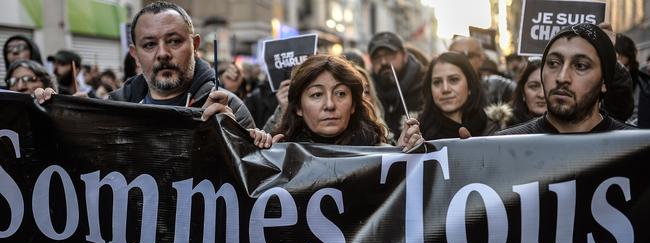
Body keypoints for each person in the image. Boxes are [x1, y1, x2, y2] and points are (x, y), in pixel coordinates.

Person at [33, 1, 264, 147]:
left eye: (174, 41)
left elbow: (248, 189)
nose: (163, 54)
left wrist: (233, 137)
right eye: (149, 45)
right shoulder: (113, 109)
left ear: (194, 45)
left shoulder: (228, 107)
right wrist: (63, 122)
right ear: (135, 54)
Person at [261, 55, 422, 151]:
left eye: (340, 94)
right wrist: (264, 159)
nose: (330, 105)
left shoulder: (380, 153)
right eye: (317, 95)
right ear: (298, 108)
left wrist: (401, 159)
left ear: (353, 105)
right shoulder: (279, 152)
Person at [497, 23, 635, 135]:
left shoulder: (636, 149)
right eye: (553, 63)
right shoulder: (505, 145)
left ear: (604, 81)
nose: (562, 78)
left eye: (580, 66)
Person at [416, 52, 504, 140]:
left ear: (470, 85)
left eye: (454, 80)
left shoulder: (493, 131)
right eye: (437, 82)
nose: (445, 89)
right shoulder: (416, 134)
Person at [368, 31, 426, 138]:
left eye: (390, 54)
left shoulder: (426, 85)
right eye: (377, 57)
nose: (384, 62)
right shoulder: (367, 93)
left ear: (404, 55)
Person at [448, 36, 516, 105]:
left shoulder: (498, 86)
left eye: (466, 55)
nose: (458, 61)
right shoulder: (442, 90)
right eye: (452, 57)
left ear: (481, 58)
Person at [510, 59, 546, 125]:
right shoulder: (502, 128)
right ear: (523, 92)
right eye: (534, 86)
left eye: (547, 87)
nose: (542, 95)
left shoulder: (569, 131)